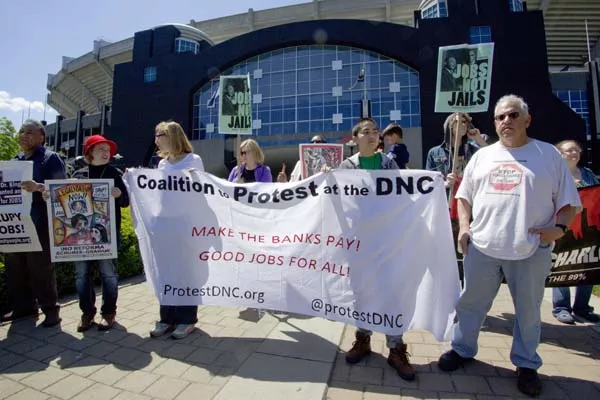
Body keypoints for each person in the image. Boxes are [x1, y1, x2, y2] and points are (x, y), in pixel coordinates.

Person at [437, 95, 581, 397]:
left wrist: (559, 229)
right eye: (500, 117)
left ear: (527, 120)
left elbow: (569, 203)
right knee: (470, 304)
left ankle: (527, 364)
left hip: (530, 249)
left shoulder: (548, 156)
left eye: (513, 115)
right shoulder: (483, 156)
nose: (506, 121)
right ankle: (462, 349)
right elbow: (464, 196)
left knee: (528, 312)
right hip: (483, 247)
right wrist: (464, 227)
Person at [338, 118, 415, 381]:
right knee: (363, 292)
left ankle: (396, 347)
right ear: (355, 138)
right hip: (360, 243)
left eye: (375, 132)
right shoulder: (346, 167)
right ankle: (363, 339)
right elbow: (337, 201)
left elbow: (400, 196)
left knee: (390, 291)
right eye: (365, 132)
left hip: (386, 241)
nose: (372, 135)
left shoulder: (388, 164)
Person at [1, 120, 66, 327]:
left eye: (29, 132)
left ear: (41, 137)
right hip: (15, 224)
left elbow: (62, 189)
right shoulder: (14, 161)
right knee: (15, 268)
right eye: (21, 131)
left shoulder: (50, 159)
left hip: (40, 222)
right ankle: (24, 308)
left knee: (41, 268)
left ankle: (51, 309)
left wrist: (38, 187)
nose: (23, 135)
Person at [68, 135, 129, 332]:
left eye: (108, 150)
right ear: (89, 154)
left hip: (106, 236)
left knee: (108, 275)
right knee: (82, 275)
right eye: (100, 149)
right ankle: (87, 314)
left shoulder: (114, 173)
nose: (106, 153)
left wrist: (119, 195)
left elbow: (126, 201)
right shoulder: (78, 175)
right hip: (80, 238)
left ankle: (108, 313)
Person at [150, 121, 205, 339]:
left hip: (185, 225)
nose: (156, 139)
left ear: (173, 136)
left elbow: (200, 192)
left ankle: (186, 319)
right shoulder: (162, 164)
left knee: (185, 274)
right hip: (164, 226)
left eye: (159, 134)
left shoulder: (194, 160)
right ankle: (167, 318)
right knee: (166, 274)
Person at [551, 139, 600, 324]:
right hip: (565, 228)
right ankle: (561, 307)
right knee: (562, 266)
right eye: (568, 150)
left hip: (588, 230)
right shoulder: (556, 175)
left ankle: (582, 308)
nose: (573, 153)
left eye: (576, 150)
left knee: (588, 267)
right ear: (560, 154)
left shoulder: (587, 174)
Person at [426, 112, 488, 190]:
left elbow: (493, 158)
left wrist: (478, 139)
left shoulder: (473, 149)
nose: (463, 124)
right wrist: (445, 184)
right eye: (459, 121)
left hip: (468, 196)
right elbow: (429, 182)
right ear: (450, 125)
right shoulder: (434, 153)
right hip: (447, 197)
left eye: (465, 122)